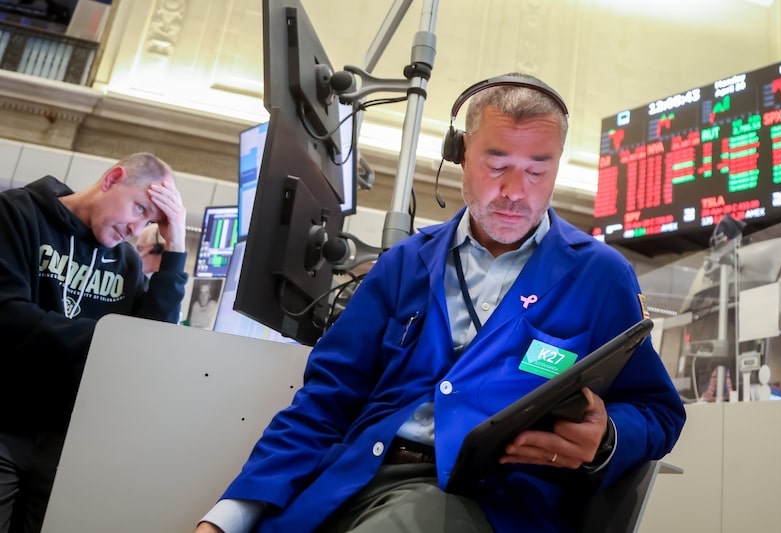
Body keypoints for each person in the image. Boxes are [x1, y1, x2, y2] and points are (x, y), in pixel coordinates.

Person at [195, 73, 686, 533]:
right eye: (497, 166)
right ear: (460, 154)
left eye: (539, 170)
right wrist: (226, 518)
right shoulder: (404, 264)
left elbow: (657, 410)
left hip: (488, 500)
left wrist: (607, 436)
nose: (516, 192)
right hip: (355, 481)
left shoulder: (599, 276)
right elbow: (324, 402)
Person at [0, 151, 189, 533]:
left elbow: (152, 346)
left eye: (149, 222)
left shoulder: (127, 263)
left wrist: (176, 248)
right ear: (111, 179)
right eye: (139, 208)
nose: (136, 228)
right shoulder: (17, 214)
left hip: (67, 441)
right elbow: (9, 316)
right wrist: (114, 340)